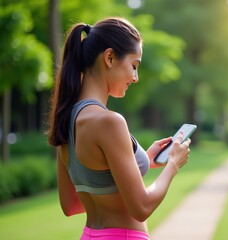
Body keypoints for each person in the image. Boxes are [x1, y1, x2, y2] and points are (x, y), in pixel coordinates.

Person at [47, 17, 192, 240]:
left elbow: (71, 205)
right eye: (134, 66)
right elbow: (141, 207)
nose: (135, 78)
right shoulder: (109, 122)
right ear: (110, 57)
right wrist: (172, 163)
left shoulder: (66, 119)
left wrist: (141, 160)